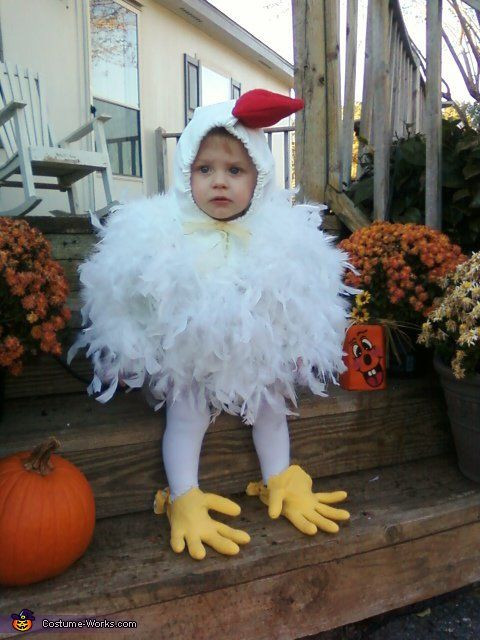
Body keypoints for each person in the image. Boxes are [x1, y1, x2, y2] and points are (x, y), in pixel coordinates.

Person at [69, 89, 358, 561]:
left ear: (258, 177)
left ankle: (280, 478)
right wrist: (137, 346)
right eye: (205, 170)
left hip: (253, 356)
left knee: (272, 405)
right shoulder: (164, 234)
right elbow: (131, 295)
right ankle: (185, 496)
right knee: (186, 414)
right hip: (190, 358)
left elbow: (296, 298)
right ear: (186, 174)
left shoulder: (277, 235)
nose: (219, 182)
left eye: (234, 170)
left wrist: (296, 344)